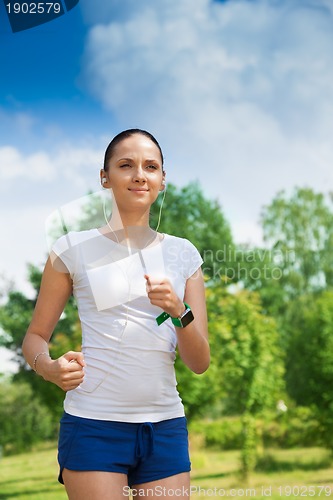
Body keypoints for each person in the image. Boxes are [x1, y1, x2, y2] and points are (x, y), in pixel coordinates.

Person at [22, 129, 210, 500]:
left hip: (165, 426)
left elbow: (200, 361)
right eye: (126, 165)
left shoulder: (184, 254)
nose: (140, 174)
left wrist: (177, 310)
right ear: (105, 177)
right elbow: (35, 337)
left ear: (162, 180)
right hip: (93, 425)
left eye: (150, 166)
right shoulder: (71, 248)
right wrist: (47, 367)